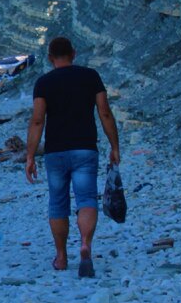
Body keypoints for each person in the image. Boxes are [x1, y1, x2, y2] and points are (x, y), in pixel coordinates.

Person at [24, 36, 120, 278]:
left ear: (49, 58)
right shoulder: (91, 76)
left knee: (58, 203)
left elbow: (37, 120)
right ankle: (85, 244)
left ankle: (61, 256)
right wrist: (114, 145)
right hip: (85, 148)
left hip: (56, 152)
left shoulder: (43, 83)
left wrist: (30, 156)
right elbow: (105, 113)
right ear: (74, 54)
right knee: (86, 198)